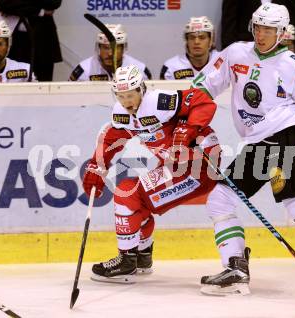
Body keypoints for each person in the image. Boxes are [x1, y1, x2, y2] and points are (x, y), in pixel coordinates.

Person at [192, 3, 295, 296]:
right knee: (221, 200)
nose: (261, 34)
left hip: (287, 139)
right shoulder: (235, 54)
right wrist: (189, 116)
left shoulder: (294, 64)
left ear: (282, 32)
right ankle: (236, 268)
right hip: (259, 144)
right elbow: (204, 86)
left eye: (269, 29)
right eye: (257, 27)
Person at [82, 65, 220, 283]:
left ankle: (127, 261)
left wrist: (188, 130)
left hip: (199, 165)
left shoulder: (159, 101)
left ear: (141, 90)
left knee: (127, 193)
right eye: (121, 95)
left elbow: (203, 100)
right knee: (137, 200)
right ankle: (141, 257)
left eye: (131, 95)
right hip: (176, 167)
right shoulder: (121, 113)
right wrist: (96, 166)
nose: (126, 101)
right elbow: (110, 139)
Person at [0, 0, 62, 81]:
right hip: (13, 41)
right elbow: (4, 4)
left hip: (42, 41)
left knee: (42, 86)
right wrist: (41, 11)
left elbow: (53, 3)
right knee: (10, 85)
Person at [70, 24, 151, 81]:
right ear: (99, 48)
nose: (110, 53)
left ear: (123, 49)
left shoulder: (139, 70)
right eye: (105, 48)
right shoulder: (84, 69)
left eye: (115, 48)